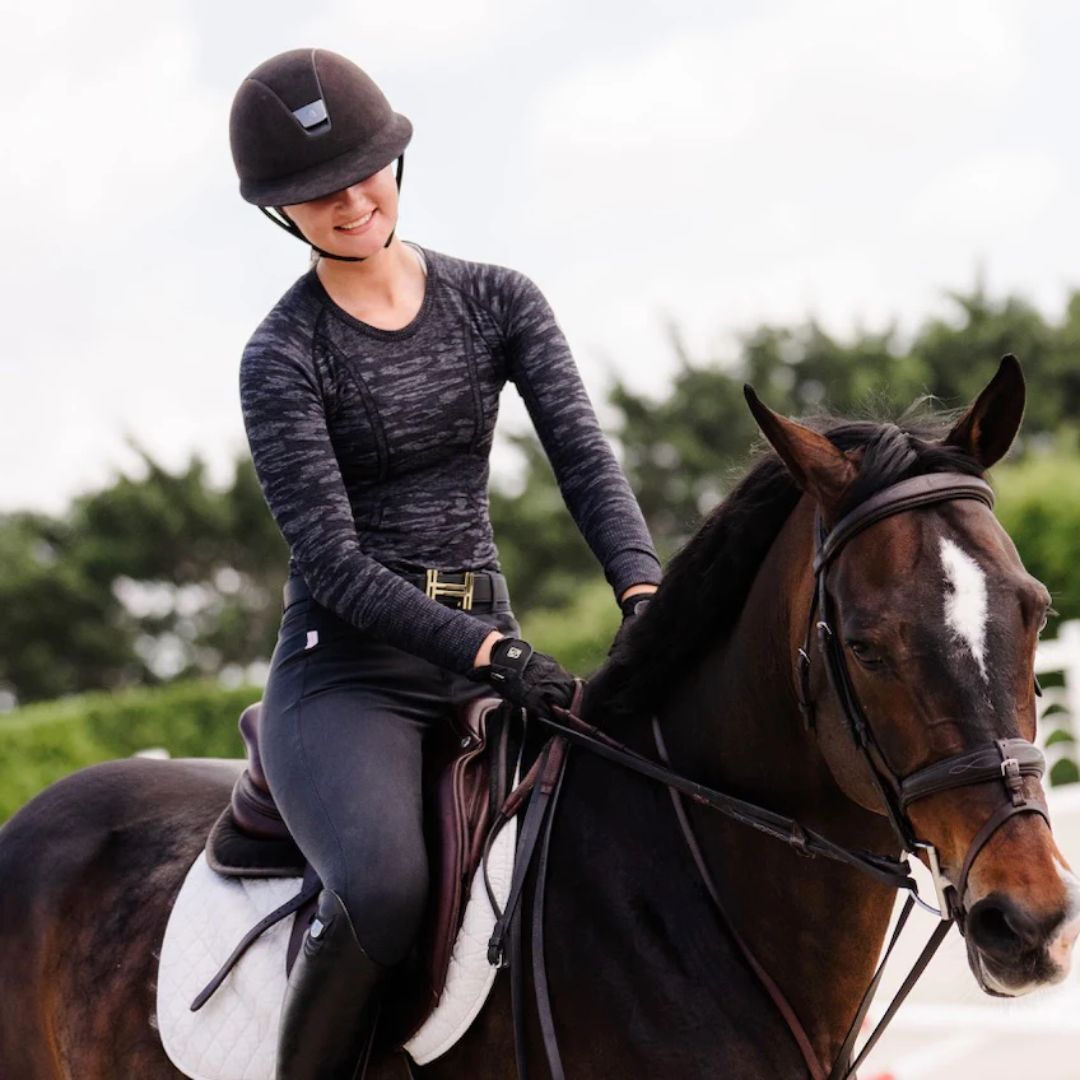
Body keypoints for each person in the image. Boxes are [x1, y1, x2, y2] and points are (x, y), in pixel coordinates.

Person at [228, 47, 662, 1079]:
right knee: (381, 888)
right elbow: (330, 560)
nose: (349, 201)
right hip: (349, 677)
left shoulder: (496, 300)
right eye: (315, 193)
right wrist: (490, 654)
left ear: (396, 160)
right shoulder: (283, 354)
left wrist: (643, 589)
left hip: (487, 648)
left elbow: (584, 460)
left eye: (363, 170)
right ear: (278, 211)